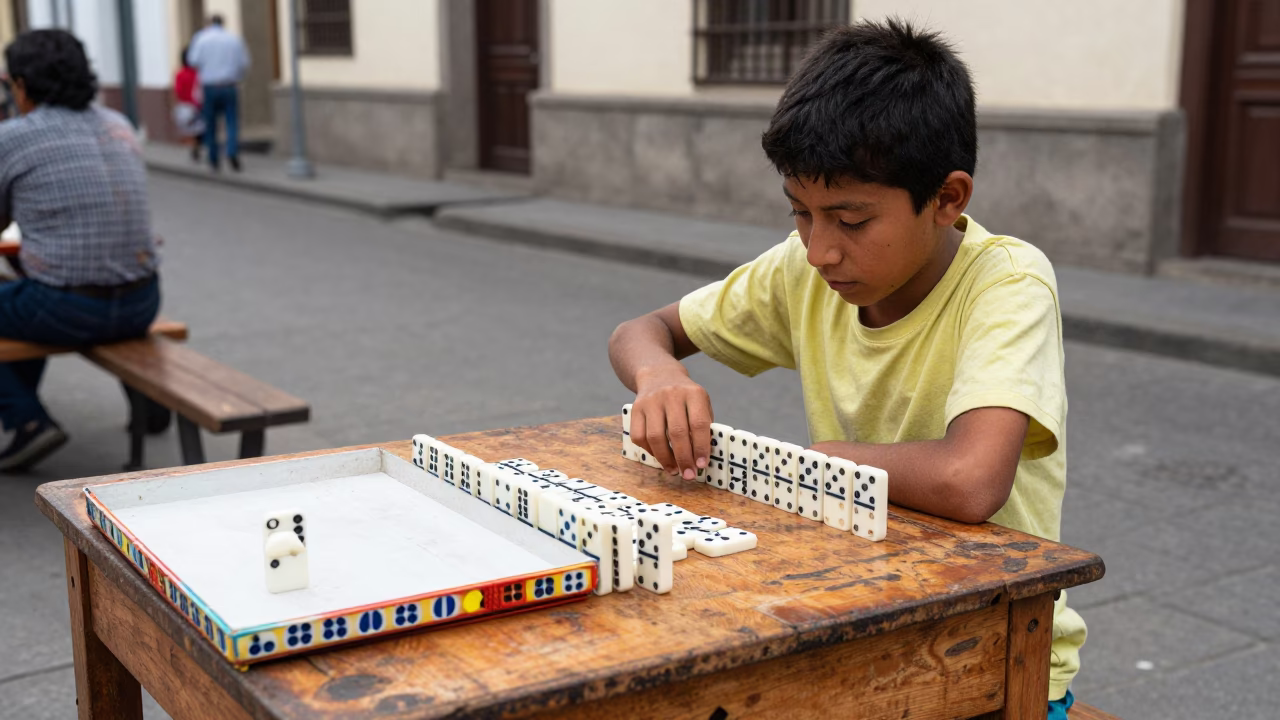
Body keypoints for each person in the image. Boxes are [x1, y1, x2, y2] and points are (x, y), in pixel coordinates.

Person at [607, 19, 1085, 719]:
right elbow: (640, 332)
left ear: (949, 199)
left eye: (851, 221)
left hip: (994, 649)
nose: (821, 250)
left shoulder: (1008, 284)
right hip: (858, 617)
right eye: (800, 213)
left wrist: (818, 463)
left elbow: (970, 480)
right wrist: (660, 377)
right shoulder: (803, 271)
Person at [0, 29, 161, 470]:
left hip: (65, 308)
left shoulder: (12, 137)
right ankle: (144, 400)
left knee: (25, 302)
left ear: (21, 85)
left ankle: (27, 419)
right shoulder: (118, 123)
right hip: (142, 301)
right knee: (23, 297)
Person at [186, 14, 249, 172]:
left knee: (211, 123)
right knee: (231, 121)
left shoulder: (201, 38)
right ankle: (231, 151)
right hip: (229, 85)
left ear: (209, 24)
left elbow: (192, 61)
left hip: (210, 86)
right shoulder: (233, 39)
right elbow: (244, 63)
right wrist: (237, 76)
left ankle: (214, 159)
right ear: (223, 23)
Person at [172, 45, 205, 162]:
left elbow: (178, 91)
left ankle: (193, 148)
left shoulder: (179, 74)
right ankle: (196, 147)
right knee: (199, 129)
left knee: (189, 130)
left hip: (184, 105)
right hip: (196, 106)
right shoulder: (197, 74)